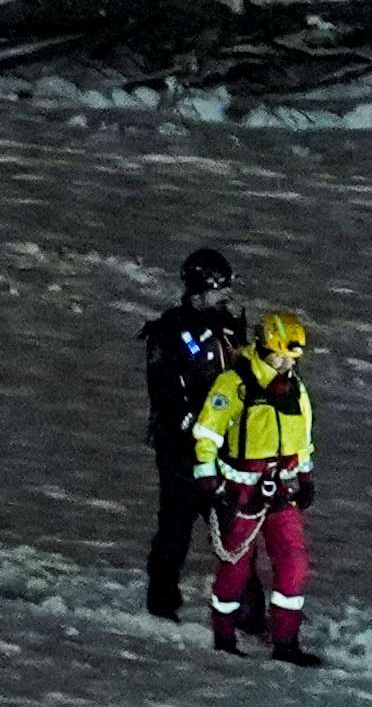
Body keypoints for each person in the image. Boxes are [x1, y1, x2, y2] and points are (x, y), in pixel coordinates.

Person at [191, 310, 322, 665]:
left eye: (291, 358)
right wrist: (206, 476)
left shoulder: (295, 388)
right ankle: (223, 635)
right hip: (241, 491)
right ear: (264, 347)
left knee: (294, 564)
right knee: (235, 565)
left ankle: (286, 642)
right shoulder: (234, 384)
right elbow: (206, 432)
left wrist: (306, 477)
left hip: (281, 490)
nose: (285, 364)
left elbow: (302, 440)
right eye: (280, 356)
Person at [138, 248, 250, 621]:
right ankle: (162, 600)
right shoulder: (171, 331)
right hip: (182, 449)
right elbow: (164, 390)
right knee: (177, 522)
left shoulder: (231, 328)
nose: (227, 295)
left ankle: (249, 613)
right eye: (221, 287)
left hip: (226, 445)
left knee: (236, 527)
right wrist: (190, 426)